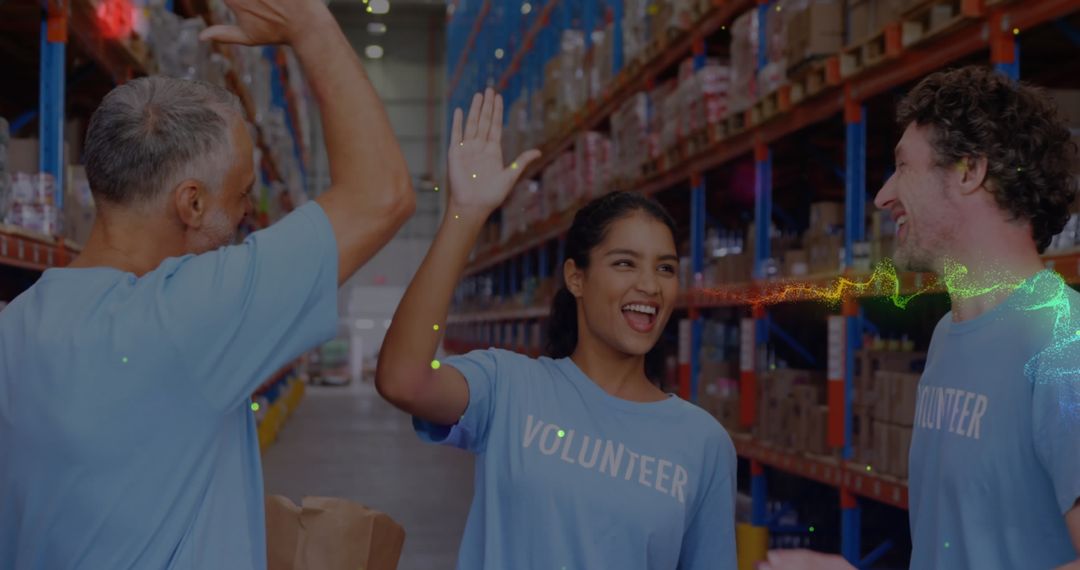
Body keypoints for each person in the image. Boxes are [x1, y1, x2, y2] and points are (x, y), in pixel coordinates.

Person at [0, 0, 415, 565]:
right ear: (191, 203)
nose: (247, 212)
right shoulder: (186, 318)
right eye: (242, 194)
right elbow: (381, 196)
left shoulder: (19, 323)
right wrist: (311, 26)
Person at [375, 88, 737, 569]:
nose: (649, 285)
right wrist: (466, 214)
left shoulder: (703, 442)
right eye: (625, 263)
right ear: (576, 278)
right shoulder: (509, 388)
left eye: (666, 269)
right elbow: (402, 378)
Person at [762, 66, 1080, 569]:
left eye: (903, 167)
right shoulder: (947, 335)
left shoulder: (1064, 341)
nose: (883, 196)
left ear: (969, 172)